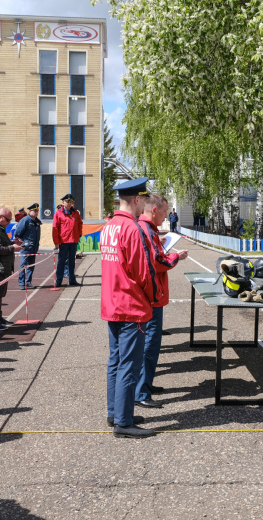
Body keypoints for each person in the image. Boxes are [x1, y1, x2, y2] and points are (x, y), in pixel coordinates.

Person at [101, 177, 158, 438]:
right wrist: (152, 299)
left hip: (112, 303)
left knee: (115, 361)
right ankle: (124, 422)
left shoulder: (109, 226)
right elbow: (144, 272)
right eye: (144, 200)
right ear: (137, 199)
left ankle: (116, 412)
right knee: (129, 365)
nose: (144, 204)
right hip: (131, 305)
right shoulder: (132, 229)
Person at [135, 195, 188, 409]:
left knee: (151, 346)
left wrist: (162, 243)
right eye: (165, 211)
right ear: (154, 210)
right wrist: (176, 257)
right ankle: (141, 391)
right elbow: (156, 262)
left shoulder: (147, 229)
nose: (167, 215)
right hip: (152, 297)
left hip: (151, 295)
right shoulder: (146, 229)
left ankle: (145, 385)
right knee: (149, 346)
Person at [52, 194, 83, 287]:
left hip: (73, 241)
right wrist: (56, 242)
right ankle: (59, 280)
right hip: (63, 242)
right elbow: (55, 228)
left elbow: (80, 225)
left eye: (70, 202)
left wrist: (78, 235)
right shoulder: (58, 213)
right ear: (63, 203)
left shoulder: (76, 213)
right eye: (67, 202)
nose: (69, 204)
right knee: (61, 261)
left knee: (72, 261)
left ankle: (72, 279)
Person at [14, 202, 42, 290]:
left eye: (37, 211)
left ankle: (28, 282)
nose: (36, 213)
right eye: (34, 211)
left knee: (31, 265)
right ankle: (21, 283)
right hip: (26, 247)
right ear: (30, 211)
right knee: (23, 265)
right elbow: (18, 232)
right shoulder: (25, 220)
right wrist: (22, 241)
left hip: (34, 247)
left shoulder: (37, 221)